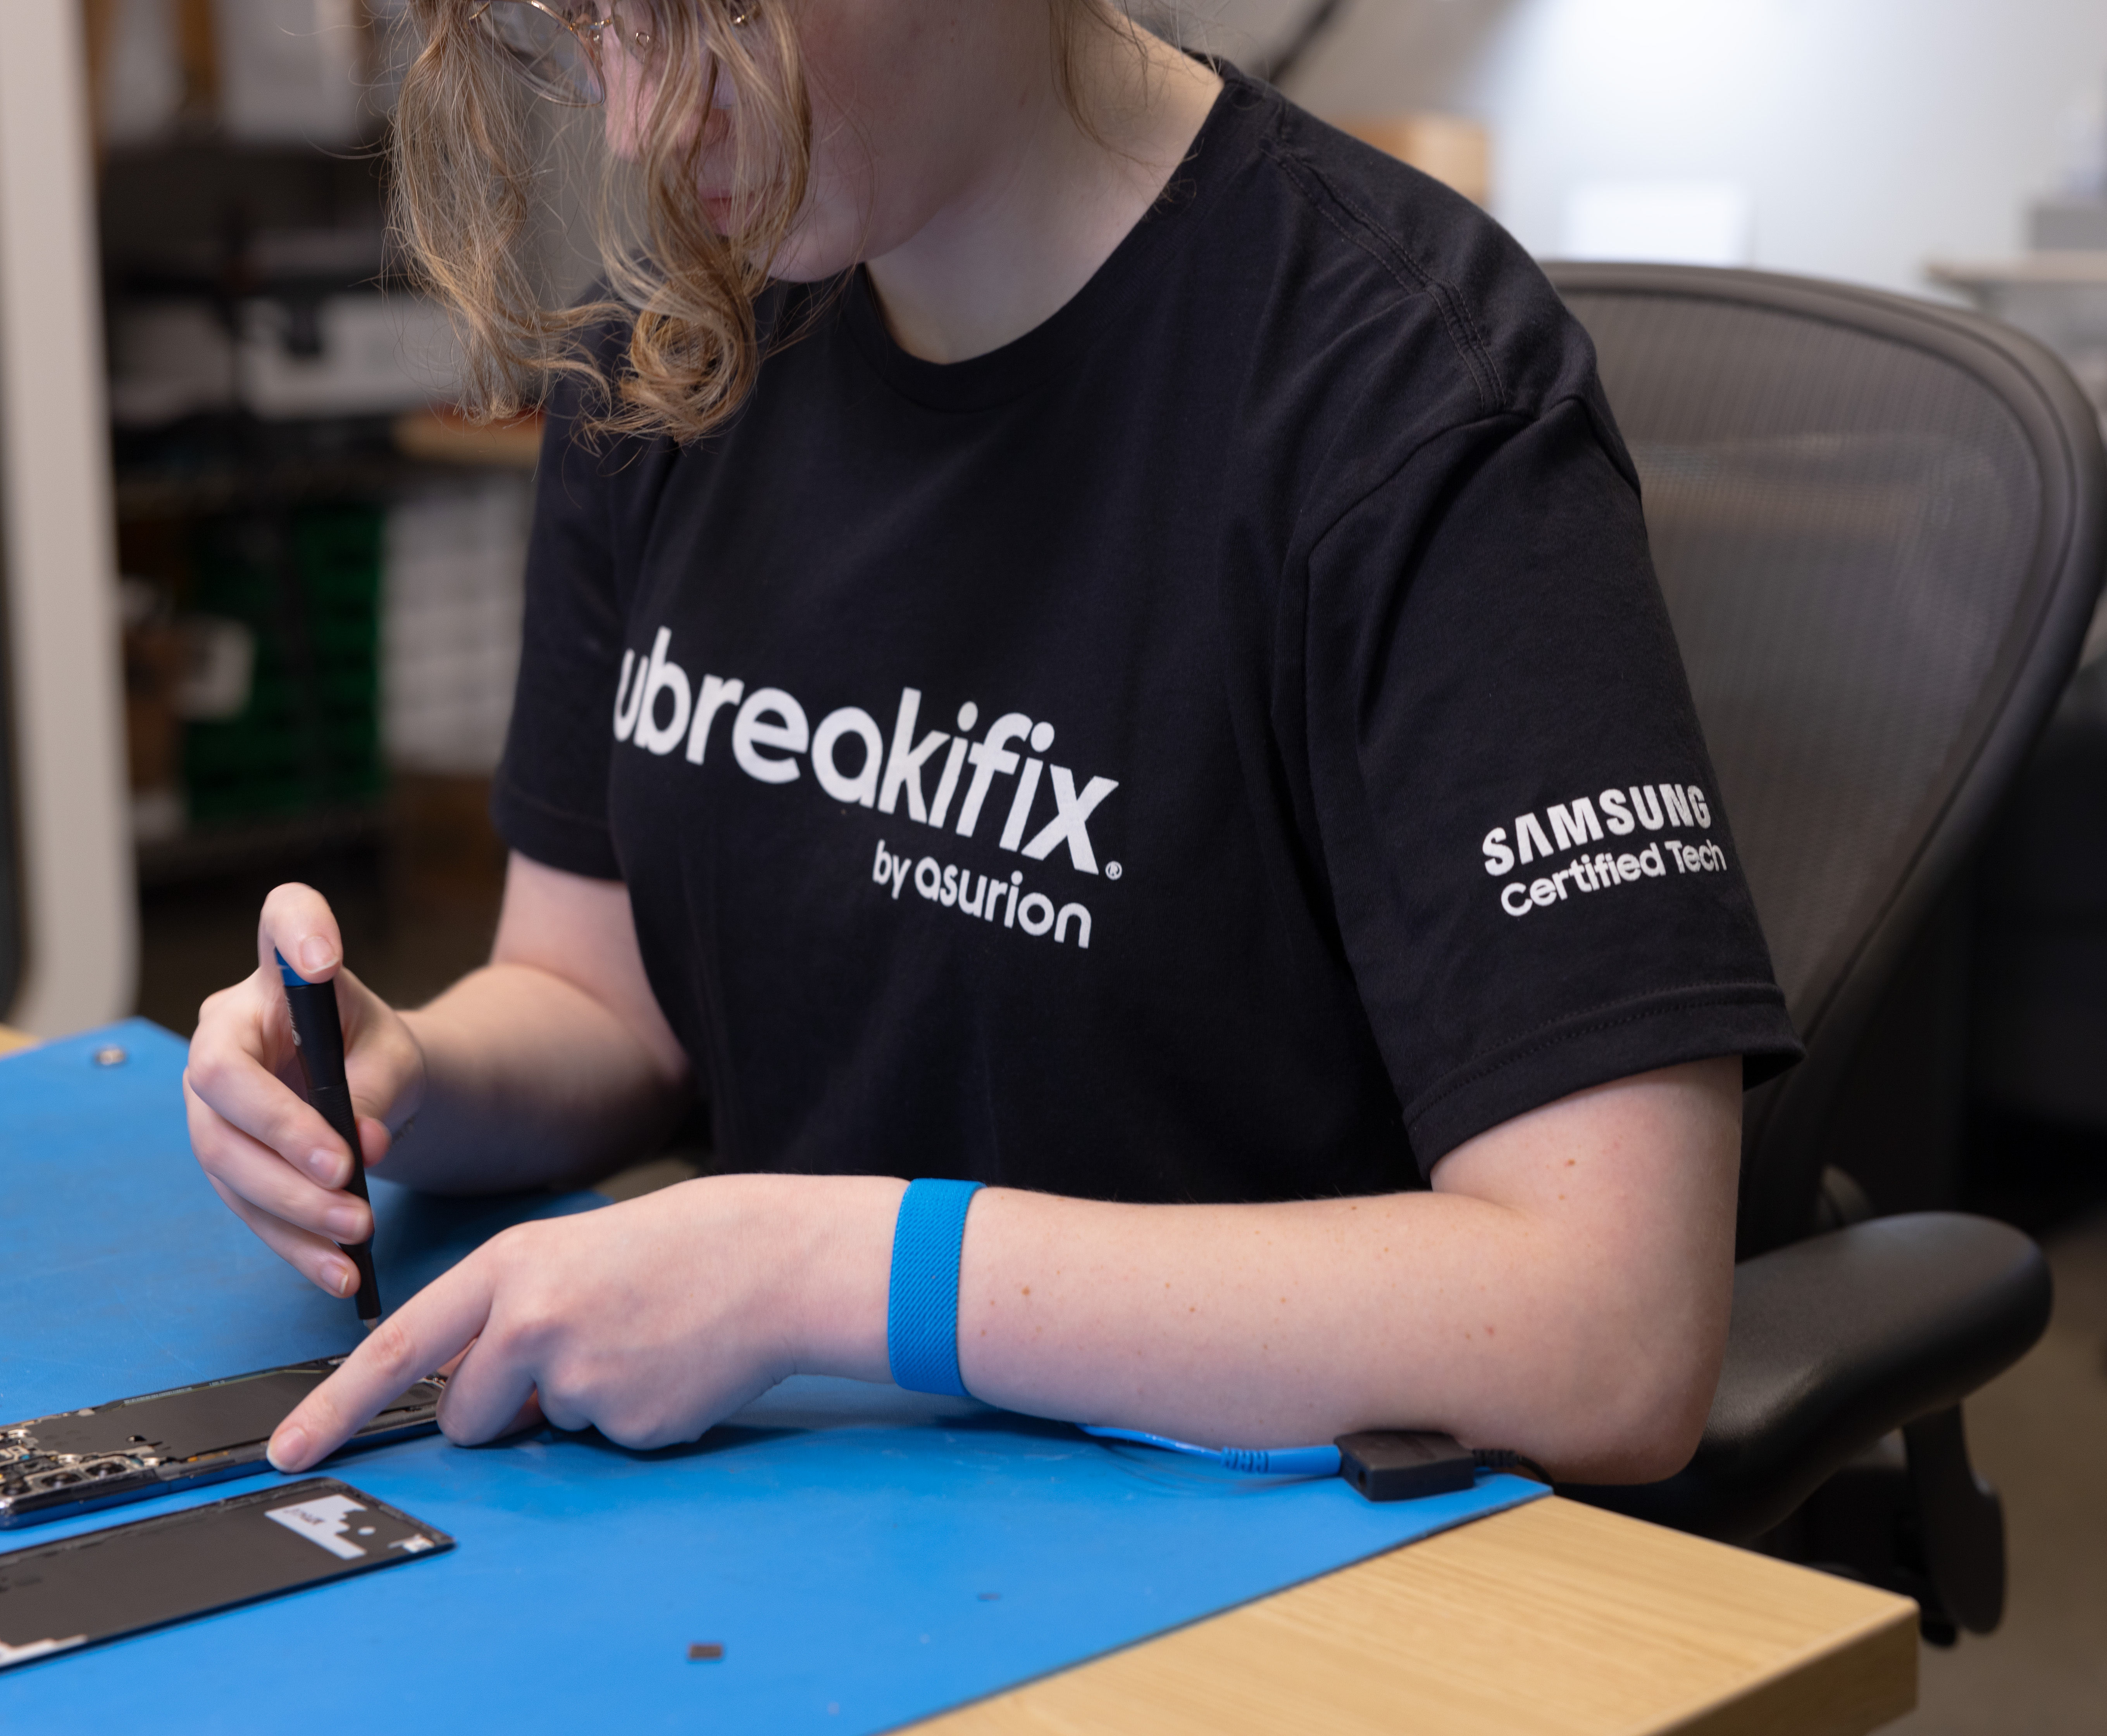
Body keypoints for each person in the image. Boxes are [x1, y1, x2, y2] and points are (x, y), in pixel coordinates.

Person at [183, 0, 1801, 1485]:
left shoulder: (1407, 404)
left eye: (711, 17)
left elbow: (1611, 1330)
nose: (639, 126)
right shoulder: (675, 355)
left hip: (1274, 1553)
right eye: (594, 26)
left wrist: (825, 1274)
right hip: (836, 1508)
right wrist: (407, 1078)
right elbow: (601, 995)